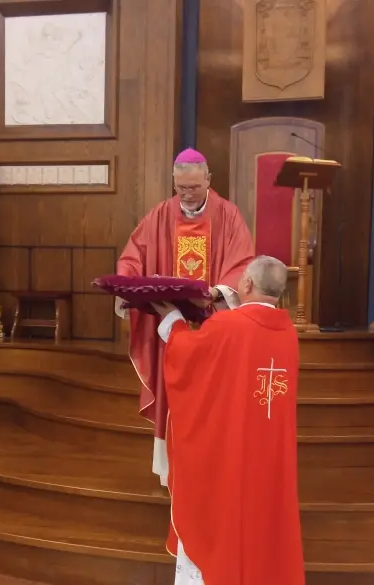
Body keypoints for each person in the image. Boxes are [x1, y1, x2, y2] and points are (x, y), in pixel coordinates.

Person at [153, 255, 303, 585]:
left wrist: (173, 322)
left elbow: (190, 355)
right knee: (262, 529)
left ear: (247, 283)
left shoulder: (229, 327)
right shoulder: (288, 334)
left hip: (232, 455)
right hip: (269, 458)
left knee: (223, 521)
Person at [116, 147, 255, 486]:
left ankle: (213, 467)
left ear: (208, 180)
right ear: (174, 182)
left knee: (212, 397)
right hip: (170, 329)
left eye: (194, 187)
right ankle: (172, 470)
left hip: (213, 326)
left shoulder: (228, 215)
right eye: (181, 188)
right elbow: (133, 255)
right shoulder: (160, 215)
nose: (187, 194)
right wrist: (126, 282)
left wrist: (218, 292)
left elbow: (242, 262)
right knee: (172, 391)